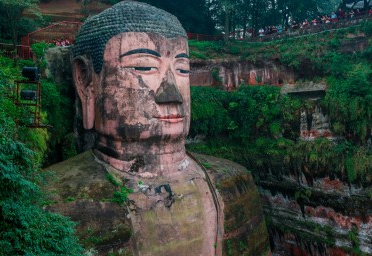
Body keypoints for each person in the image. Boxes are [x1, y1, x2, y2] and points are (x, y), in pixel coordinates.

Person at [45, 1, 270, 255]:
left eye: (182, 69)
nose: (171, 93)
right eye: (144, 66)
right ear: (86, 81)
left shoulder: (233, 185)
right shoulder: (54, 205)